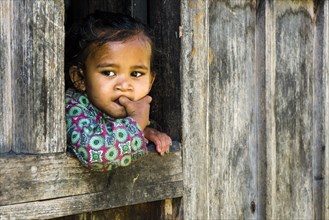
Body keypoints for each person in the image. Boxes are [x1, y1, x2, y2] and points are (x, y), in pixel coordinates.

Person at [65, 11, 172, 172]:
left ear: (150, 81)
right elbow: (95, 153)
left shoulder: (134, 108)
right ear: (79, 78)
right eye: (109, 73)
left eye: (136, 74)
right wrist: (136, 124)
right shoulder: (73, 108)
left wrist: (145, 132)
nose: (124, 85)